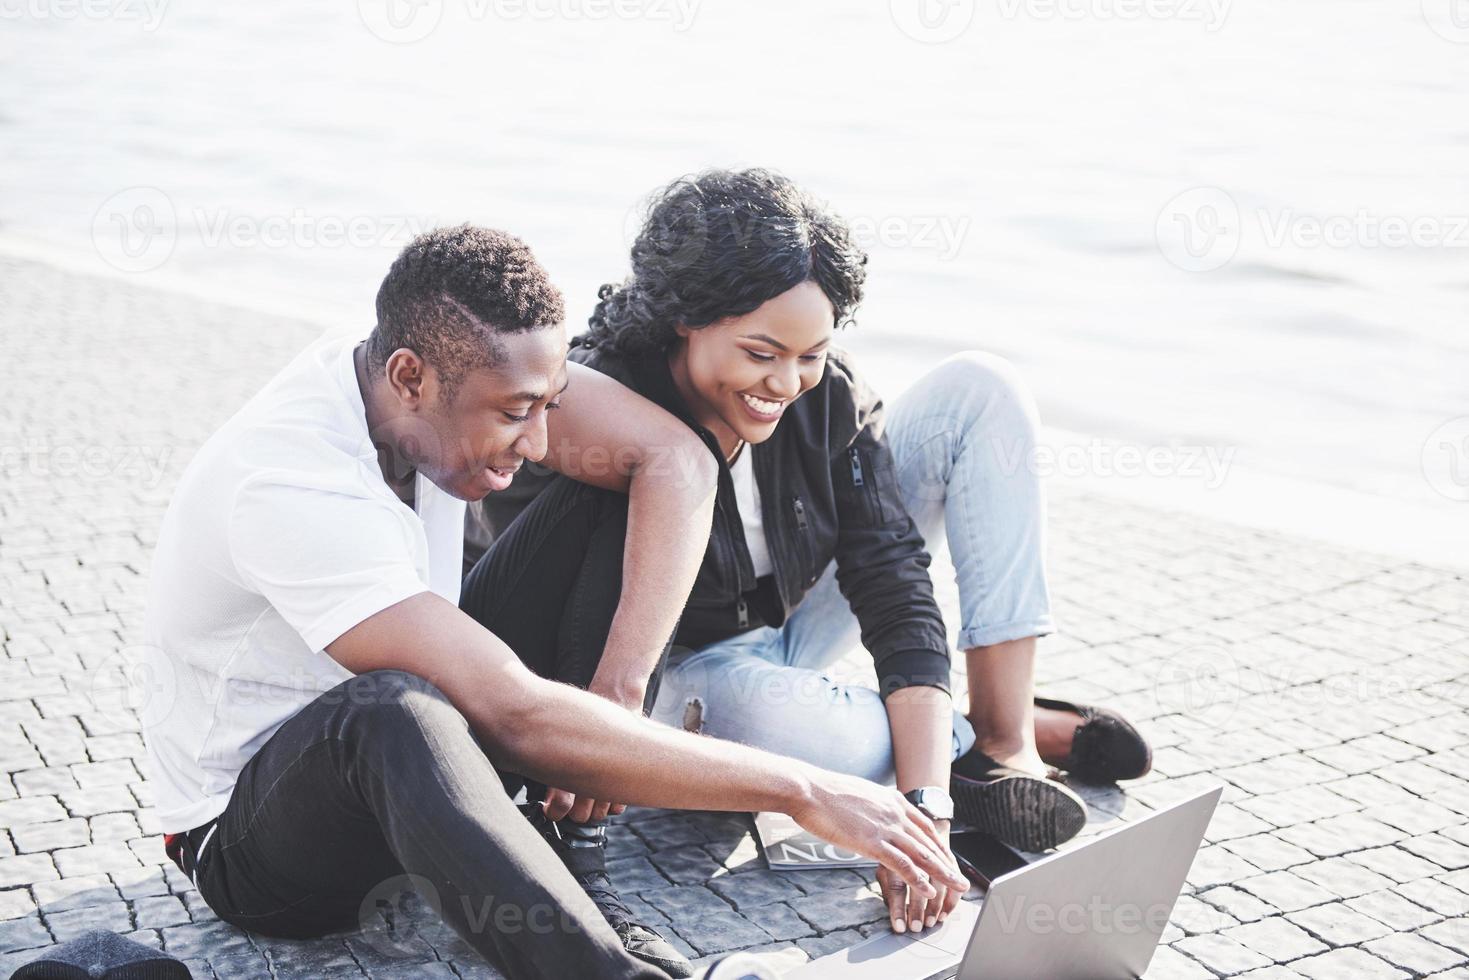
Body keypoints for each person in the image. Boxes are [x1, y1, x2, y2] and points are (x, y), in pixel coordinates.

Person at [139, 225, 968, 980]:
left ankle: (576, 852)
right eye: (513, 415)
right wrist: (807, 790)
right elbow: (513, 714)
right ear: (409, 378)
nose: (535, 445)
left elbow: (676, 461)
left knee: (616, 479)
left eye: (547, 406)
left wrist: (616, 696)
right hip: (257, 843)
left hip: (433, 763)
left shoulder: (412, 369)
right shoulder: (289, 481)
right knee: (392, 711)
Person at [473, 168, 1153, 939]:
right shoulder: (596, 407)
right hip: (667, 669)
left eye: (810, 353)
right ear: (684, 319)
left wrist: (925, 808)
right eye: (761, 352)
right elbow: (558, 612)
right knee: (801, 732)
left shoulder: (822, 392)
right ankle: (950, 736)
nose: (786, 382)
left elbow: (892, 579)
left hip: (790, 624)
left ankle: (1002, 740)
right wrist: (603, 736)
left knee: (981, 387)